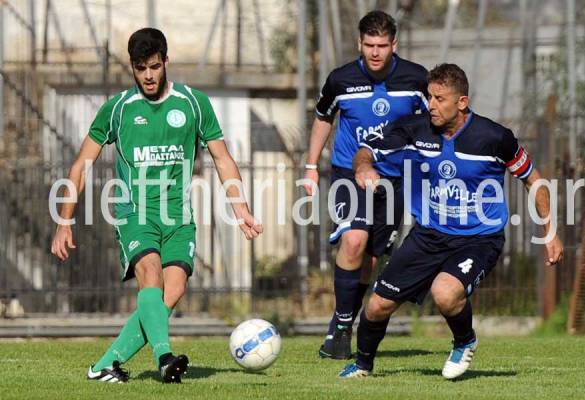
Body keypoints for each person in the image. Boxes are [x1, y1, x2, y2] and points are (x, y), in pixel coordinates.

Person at [50, 28, 262, 383]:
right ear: (131, 68)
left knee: (174, 289)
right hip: (136, 214)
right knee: (150, 273)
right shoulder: (118, 109)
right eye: (140, 68)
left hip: (179, 216)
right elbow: (81, 165)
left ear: (166, 62)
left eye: (153, 66)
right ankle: (165, 358)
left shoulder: (194, 103)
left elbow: (222, 158)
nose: (148, 76)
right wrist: (64, 219)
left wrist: (240, 208)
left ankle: (104, 364)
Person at [339, 63, 563, 379]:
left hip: (479, 238)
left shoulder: (495, 137)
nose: (431, 105)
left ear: (461, 102)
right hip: (428, 235)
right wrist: (362, 167)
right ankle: (362, 366)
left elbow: (534, 180)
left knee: (445, 292)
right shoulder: (414, 129)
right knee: (376, 307)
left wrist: (550, 232)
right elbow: (367, 149)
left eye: (440, 99)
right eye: (429, 97)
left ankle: (464, 341)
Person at [304, 10, 428, 359]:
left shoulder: (416, 80)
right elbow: (322, 118)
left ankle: (338, 327)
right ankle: (344, 328)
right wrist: (311, 165)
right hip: (348, 174)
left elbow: (432, 124)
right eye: (369, 45)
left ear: (394, 45)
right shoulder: (341, 80)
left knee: (370, 261)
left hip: (393, 180)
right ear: (359, 43)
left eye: (382, 45)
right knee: (354, 239)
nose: (375, 52)